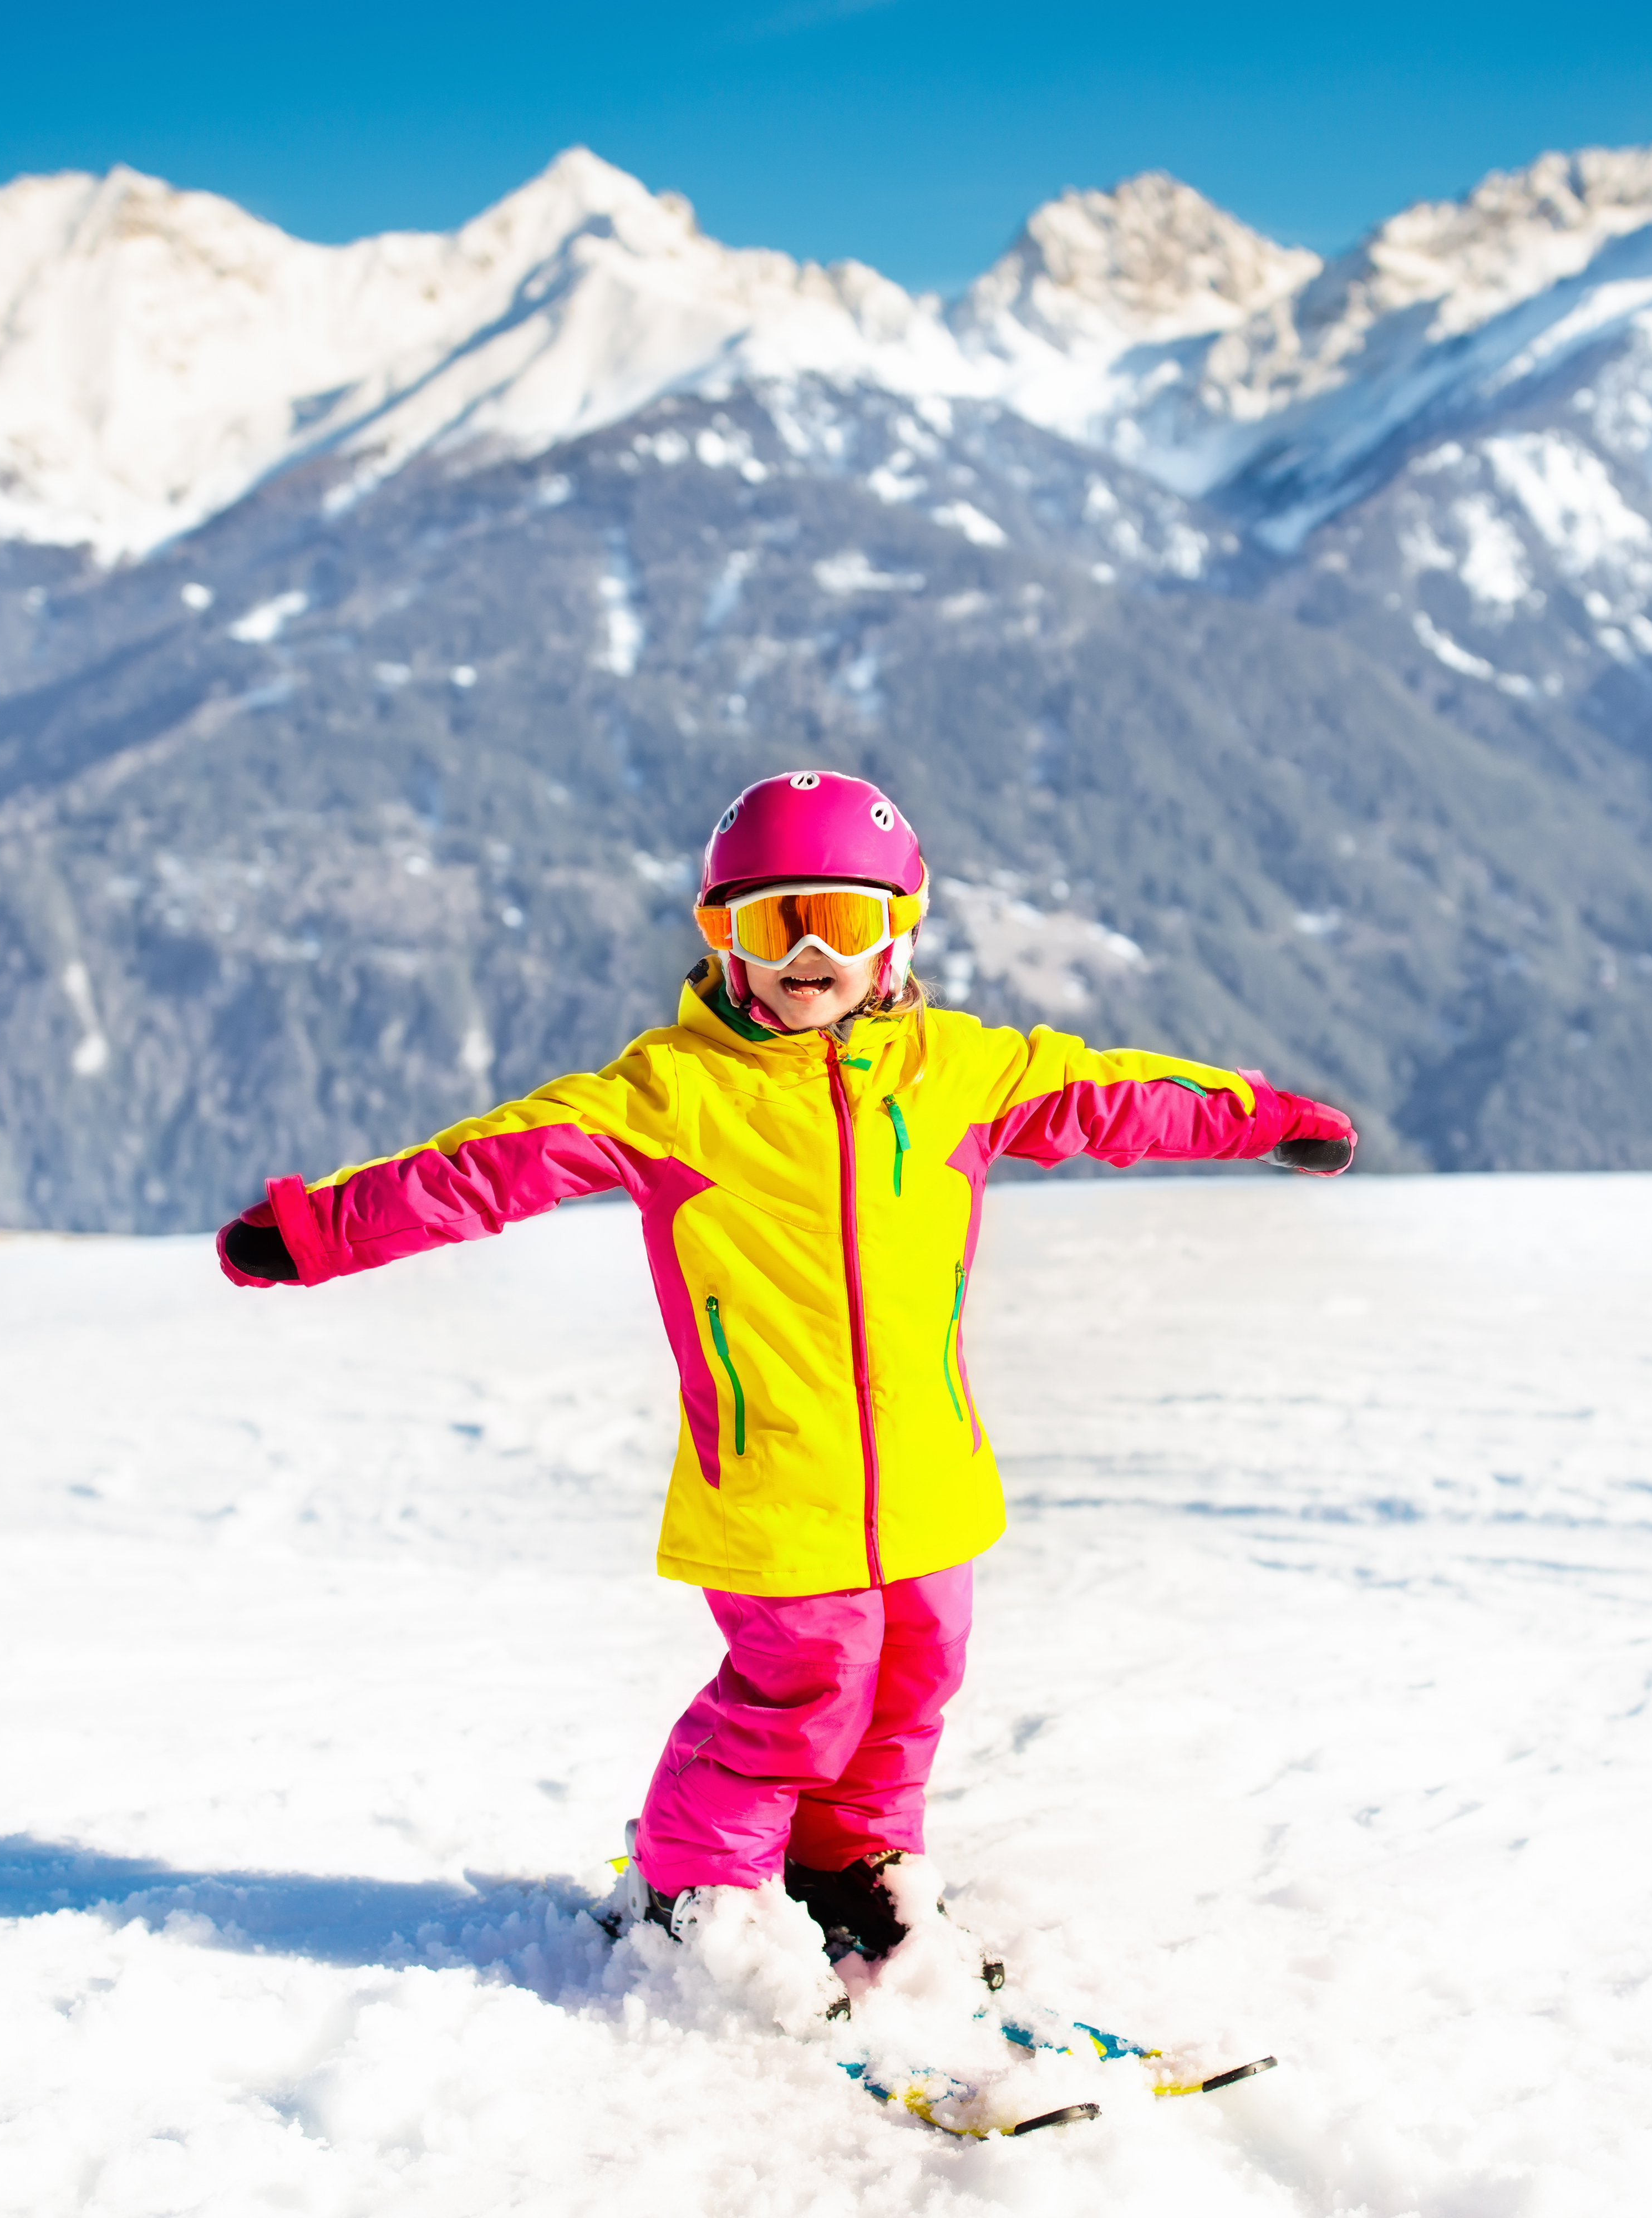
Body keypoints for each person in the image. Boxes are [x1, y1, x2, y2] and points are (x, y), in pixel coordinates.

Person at [215, 770, 1356, 2022]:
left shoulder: (961, 1069)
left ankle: (850, 1860)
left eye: (841, 920)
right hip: (771, 1478)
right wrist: (316, 1229)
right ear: (720, 937)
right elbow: (487, 1164)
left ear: (899, 932)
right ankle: (696, 1882)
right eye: (769, 924)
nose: (807, 953)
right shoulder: (673, 1093)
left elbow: (1119, 1095)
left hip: (928, 1466)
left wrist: (1269, 1116)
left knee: (916, 1671)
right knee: (804, 1685)